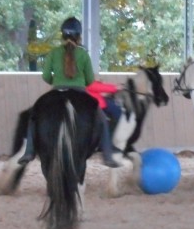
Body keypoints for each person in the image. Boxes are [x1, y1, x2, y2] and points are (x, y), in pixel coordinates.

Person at [18, 17, 120, 168]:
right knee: (102, 118)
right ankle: (107, 154)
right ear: (79, 36)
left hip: (57, 90)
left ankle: (29, 151)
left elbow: (46, 77)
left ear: (62, 35)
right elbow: (90, 81)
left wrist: (58, 81)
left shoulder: (53, 53)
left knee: (34, 116)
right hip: (80, 92)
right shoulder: (83, 55)